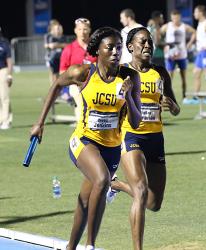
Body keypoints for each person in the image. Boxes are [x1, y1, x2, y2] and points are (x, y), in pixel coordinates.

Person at [30, 27, 141, 250]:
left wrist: (128, 96)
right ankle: (90, 245)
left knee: (86, 197)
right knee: (102, 180)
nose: (115, 52)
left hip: (111, 148)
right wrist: (39, 123)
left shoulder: (130, 77)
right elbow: (56, 85)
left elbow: (137, 122)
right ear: (98, 50)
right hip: (83, 141)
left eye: (119, 48)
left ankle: (71, 246)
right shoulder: (83, 73)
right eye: (110, 47)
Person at [106, 27, 180, 250]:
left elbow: (175, 109)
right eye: (142, 42)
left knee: (153, 203)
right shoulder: (120, 72)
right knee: (140, 191)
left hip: (156, 139)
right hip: (131, 135)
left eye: (150, 42)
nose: (148, 46)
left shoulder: (161, 72)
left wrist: (173, 106)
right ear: (130, 47)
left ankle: (115, 185)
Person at [59, 18, 96, 122]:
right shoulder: (69, 49)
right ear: (75, 30)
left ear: (89, 30)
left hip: (94, 84)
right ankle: (81, 129)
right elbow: (62, 71)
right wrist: (75, 82)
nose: (82, 32)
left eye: (85, 29)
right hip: (75, 85)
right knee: (81, 107)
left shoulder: (96, 48)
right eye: (79, 29)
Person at [160, 9, 196, 100]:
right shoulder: (167, 26)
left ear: (180, 17)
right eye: (173, 18)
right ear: (171, 18)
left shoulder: (184, 26)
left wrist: (190, 43)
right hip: (170, 56)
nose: (175, 20)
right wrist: (163, 46)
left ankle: (184, 96)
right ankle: (167, 97)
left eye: (177, 18)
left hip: (182, 56)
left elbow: (194, 32)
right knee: (168, 77)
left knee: (183, 78)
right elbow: (158, 34)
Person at [44, 20, 67, 84]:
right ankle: (53, 85)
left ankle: (58, 85)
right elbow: (46, 45)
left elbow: (65, 45)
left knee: (59, 72)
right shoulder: (48, 35)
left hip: (60, 56)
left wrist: (56, 45)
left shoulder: (62, 36)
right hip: (50, 56)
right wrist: (50, 45)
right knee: (52, 72)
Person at [0, 27, 13, 130]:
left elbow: (9, 61)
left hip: (3, 71)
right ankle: (1, 119)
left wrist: (9, 75)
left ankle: (6, 120)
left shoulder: (4, 44)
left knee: (4, 97)